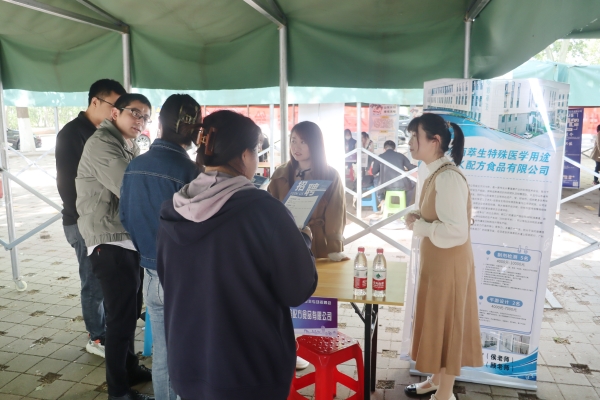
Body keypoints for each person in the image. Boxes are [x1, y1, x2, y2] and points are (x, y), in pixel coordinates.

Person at [156, 110, 317, 400]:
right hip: (249, 371)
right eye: (256, 150)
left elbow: (169, 279)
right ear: (245, 155)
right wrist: (303, 241)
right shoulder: (264, 210)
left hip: (188, 364)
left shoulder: (173, 209)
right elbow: (297, 288)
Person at [120, 95, 201, 400]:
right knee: (189, 354)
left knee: (164, 355)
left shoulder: (135, 166)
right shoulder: (192, 173)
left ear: (159, 124)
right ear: (195, 132)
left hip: (152, 276)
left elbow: (125, 217)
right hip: (184, 280)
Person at [76, 93, 154, 400]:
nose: (140, 121)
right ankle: (118, 390)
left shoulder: (127, 144)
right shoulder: (103, 144)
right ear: (115, 113)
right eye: (135, 113)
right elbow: (131, 187)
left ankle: (129, 368)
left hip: (125, 239)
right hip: (109, 241)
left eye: (146, 117)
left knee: (130, 311)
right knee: (119, 318)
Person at [403, 113, 483, 400]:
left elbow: (457, 231)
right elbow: (438, 214)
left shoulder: (448, 177)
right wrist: (417, 215)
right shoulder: (436, 172)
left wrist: (421, 226)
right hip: (439, 264)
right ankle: (436, 380)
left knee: (448, 325)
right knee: (438, 322)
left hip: (449, 266)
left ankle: (445, 394)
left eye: (415, 136)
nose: (410, 142)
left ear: (435, 141)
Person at [55, 79, 126, 358]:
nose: (116, 112)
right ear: (95, 101)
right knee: (93, 282)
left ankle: (108, 328)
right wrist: (84, 219)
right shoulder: (73, 134)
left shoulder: (106, 133)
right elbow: (67, 184)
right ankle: (96, 337)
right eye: (113, 105)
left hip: (103, 223)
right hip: (82, 222)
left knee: (105, 280)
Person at [269, 121, 348, 262]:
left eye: (303, 142)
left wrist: (334, 247)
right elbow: (269, 210)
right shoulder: (280, 174)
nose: (296, 147)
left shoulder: (330, 175)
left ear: (315, 144)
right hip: (285, 241)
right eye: (293, 141)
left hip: (317, 242)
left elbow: (335, 214)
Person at [372, 140, 417, 206]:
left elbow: (374, 172)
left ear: (384, 149)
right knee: (413, 181)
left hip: (385, 186)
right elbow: (411, 167)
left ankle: (382, 199)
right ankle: (406, 204)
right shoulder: (400, 156)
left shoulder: (380, 157)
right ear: (394, 148)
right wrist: (418, 166)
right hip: (401, 185)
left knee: (376, 180)